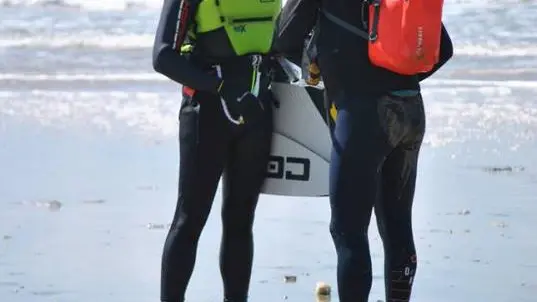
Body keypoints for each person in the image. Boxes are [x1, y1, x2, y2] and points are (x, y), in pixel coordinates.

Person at [272, 1, 454, 301]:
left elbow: (285, 38)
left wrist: (327, 61)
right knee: (397, 226)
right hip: (409, 108)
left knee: (348, 233)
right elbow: (442, 48)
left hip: (363, 117)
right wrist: (396, 75)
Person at [151, 0, 282, 300]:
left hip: (257, 112)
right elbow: (162, 56)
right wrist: (221, 88)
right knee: (190, 220)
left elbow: (281, 37)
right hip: (207, 112)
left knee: (241, 221)